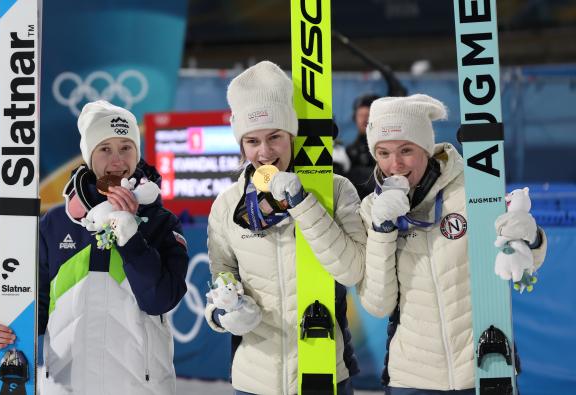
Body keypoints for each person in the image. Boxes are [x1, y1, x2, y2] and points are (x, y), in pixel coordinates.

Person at [0, 100, 189, 395]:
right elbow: (39, 306)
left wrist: (131, 235)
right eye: (104, 149)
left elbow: (160, 300)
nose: (117, 160)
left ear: (138, 153)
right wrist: (9, 333)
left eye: (126, 147)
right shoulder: (56, 223)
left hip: (139, 386)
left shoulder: (161, 222)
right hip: (68, 384)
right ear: (88, 156)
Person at [356, 94, 548, 394]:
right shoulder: (371, 208)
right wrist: (382, 229)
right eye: (383, 152)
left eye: (406, 149)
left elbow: (524, 262)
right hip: (411, 378)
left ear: (426, 148)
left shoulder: (474, 186)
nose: (395, 164)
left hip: (484, 368)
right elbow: (378, 304)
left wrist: (530, 237)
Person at [204, 61, 366, 395]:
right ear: (241, 144)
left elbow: (352, 271)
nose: (264, 152)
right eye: (252, 141)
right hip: (254, 379)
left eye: (275, 137)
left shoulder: (336, 190)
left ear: (291, 135)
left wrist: (302, 204)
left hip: (324, 371)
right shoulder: (226, 205)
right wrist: (224, 313)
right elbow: (222, 278)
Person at [346, 93, 380, 199]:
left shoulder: (386, 147)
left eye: (368, 115)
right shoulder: (350, 150)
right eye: (360, 115)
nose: (364, 120)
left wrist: (350, 172)